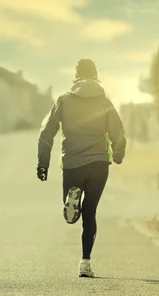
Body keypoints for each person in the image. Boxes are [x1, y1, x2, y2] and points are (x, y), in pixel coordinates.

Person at [37, 59, 126, 278]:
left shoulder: (64, 100)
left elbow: (47, 132)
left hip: (72, 163)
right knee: (90, 212)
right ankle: (85, 263)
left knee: (71, 213)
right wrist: (118, 154)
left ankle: (72, 196)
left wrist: (43, 162)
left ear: (75, 77)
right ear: (96, 75)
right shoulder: (105, 101)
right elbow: (118, 131)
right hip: (98, 163)